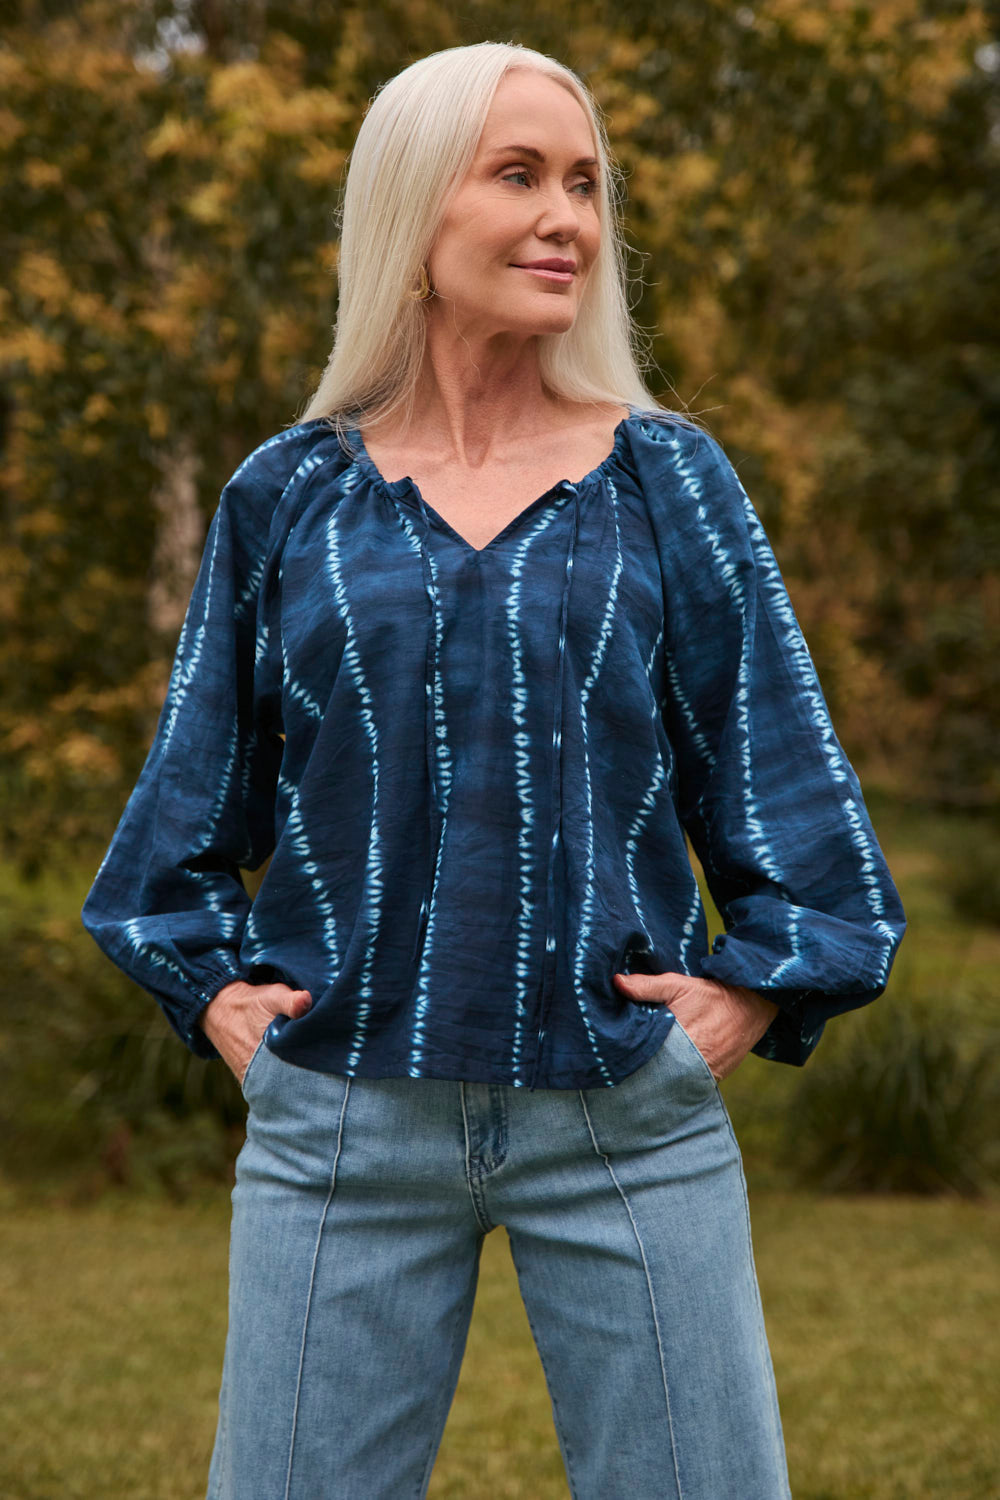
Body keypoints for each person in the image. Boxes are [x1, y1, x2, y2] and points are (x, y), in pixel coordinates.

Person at [81, 39, 906, 1500]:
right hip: (340, 1120)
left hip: (621, 1115)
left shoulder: (668, 477)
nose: (567, 220)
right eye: (518, 176)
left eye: (585, 185)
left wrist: (752, 990)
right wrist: (212, 996)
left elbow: (788, 783)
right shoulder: (289, 495)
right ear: (411, 210)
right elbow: (188, 809)